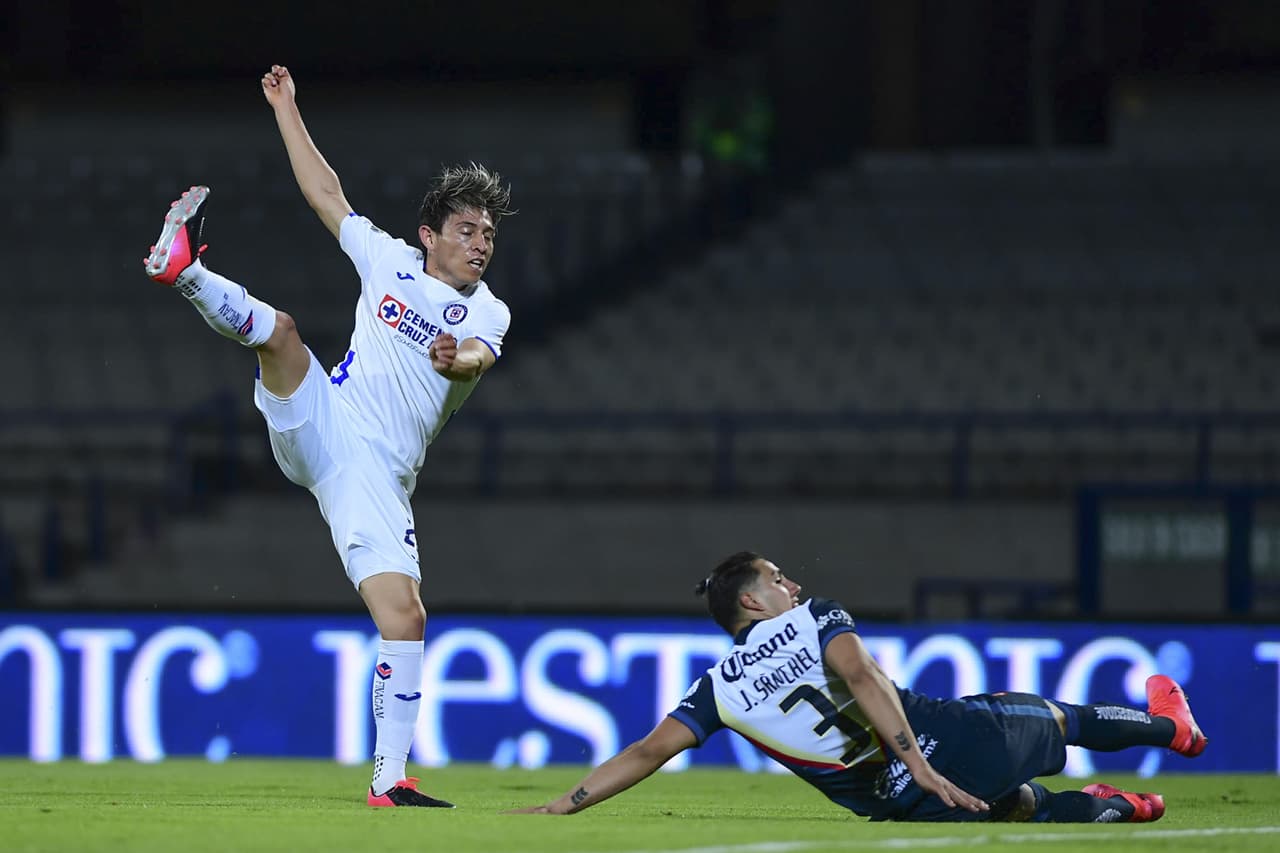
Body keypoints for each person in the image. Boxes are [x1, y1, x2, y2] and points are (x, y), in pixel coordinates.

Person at [142, 64, 514, 808]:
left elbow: (476, 356)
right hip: (324, 419)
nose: (481, 244)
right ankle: (183, 272)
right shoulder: (386, 260)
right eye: (468, 230)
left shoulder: (486, 314)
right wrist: (286, 107)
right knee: (280, 334)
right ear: (429, 235)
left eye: (489, 234)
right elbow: (325, 193)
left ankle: (389, 779)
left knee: (405, 616)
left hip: (372, 474)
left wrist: (456, 358)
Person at [515, 551, 1207, 822]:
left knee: (1015, 807)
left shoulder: (716, 688)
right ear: (753, 602)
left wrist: (564, 804)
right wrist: (920, 762)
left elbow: (644, 751)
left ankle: (1118, 808)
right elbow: (859, 674)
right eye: (778, 579)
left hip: (897, 809)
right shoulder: (816, 620)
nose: (795, 585)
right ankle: (1171, 727)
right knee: (1050, 715)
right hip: (942, 748)